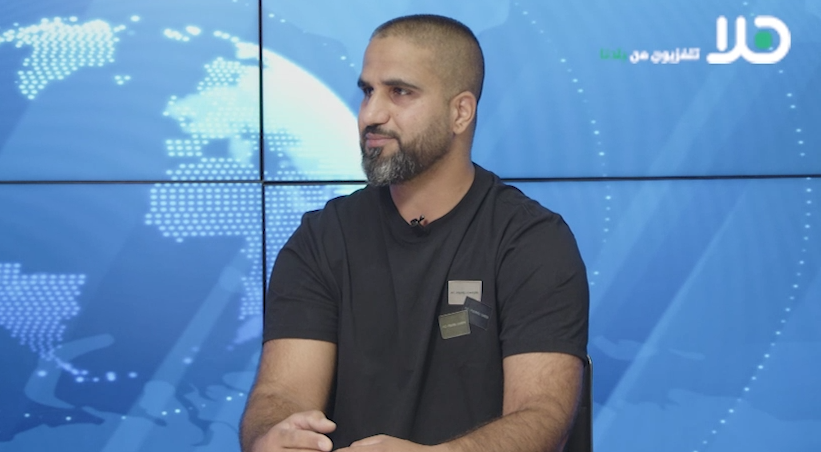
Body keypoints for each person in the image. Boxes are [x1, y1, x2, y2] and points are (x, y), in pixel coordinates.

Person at [240, 14, 589, 452]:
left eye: (399, 92)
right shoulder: (321, 238)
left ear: (460, 112)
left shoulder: (531, 241)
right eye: (367, 91)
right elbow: (280, 395)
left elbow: (542, 417)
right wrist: (272, 435)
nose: (371, 114)